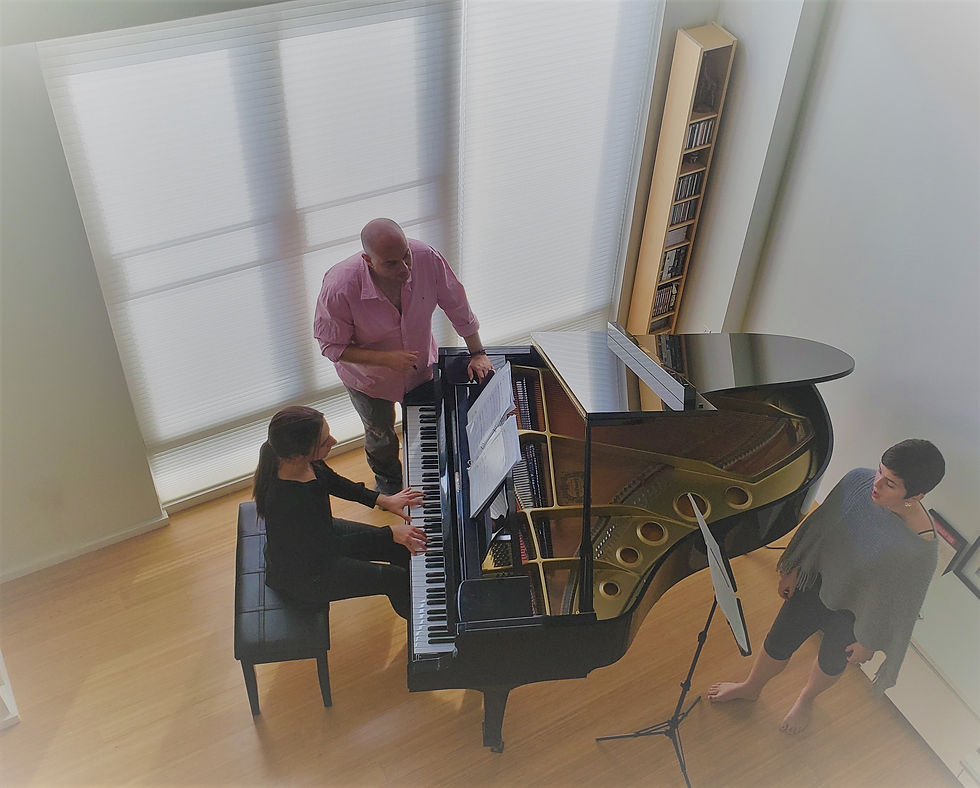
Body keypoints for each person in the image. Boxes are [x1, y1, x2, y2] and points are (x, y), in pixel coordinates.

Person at [708, 439, 945, 734]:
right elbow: (820, 528)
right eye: (879, 472)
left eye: (890, 484)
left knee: (831, 662)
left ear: (916, 495)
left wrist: (869, 640)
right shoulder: (859, 481)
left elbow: (902, 604)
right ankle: (751, 686)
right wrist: (795, 567)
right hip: (817, 583)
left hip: (855, 615)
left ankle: (806, 699)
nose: (877, 484)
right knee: (778, 641)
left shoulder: (920, 549)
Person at [314, 218, 494, 494]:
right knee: (380, 436)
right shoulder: (339, 286)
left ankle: (432, 484)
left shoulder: (426, 257)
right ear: (368, 260)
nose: (406, 269)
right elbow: (331, 347)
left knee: (428, 426)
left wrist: (478, 352)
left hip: (421, 368)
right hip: (369, 381)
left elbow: (458, 306)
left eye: (406, 256)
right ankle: (390, 488)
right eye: (392, 263)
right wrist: (386, 359)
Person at [252, 405, 427, 619]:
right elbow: (329, 547)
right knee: (394, 579)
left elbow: (332, 481)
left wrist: (384, 500)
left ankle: (428, 592)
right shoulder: (287, 501)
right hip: (306, 575)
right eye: (324, 442)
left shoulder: (293, 459)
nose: (333, 441)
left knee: (400, 547)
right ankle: (426, 627)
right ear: (298, 455)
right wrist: (389, 532)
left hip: (317, 535)